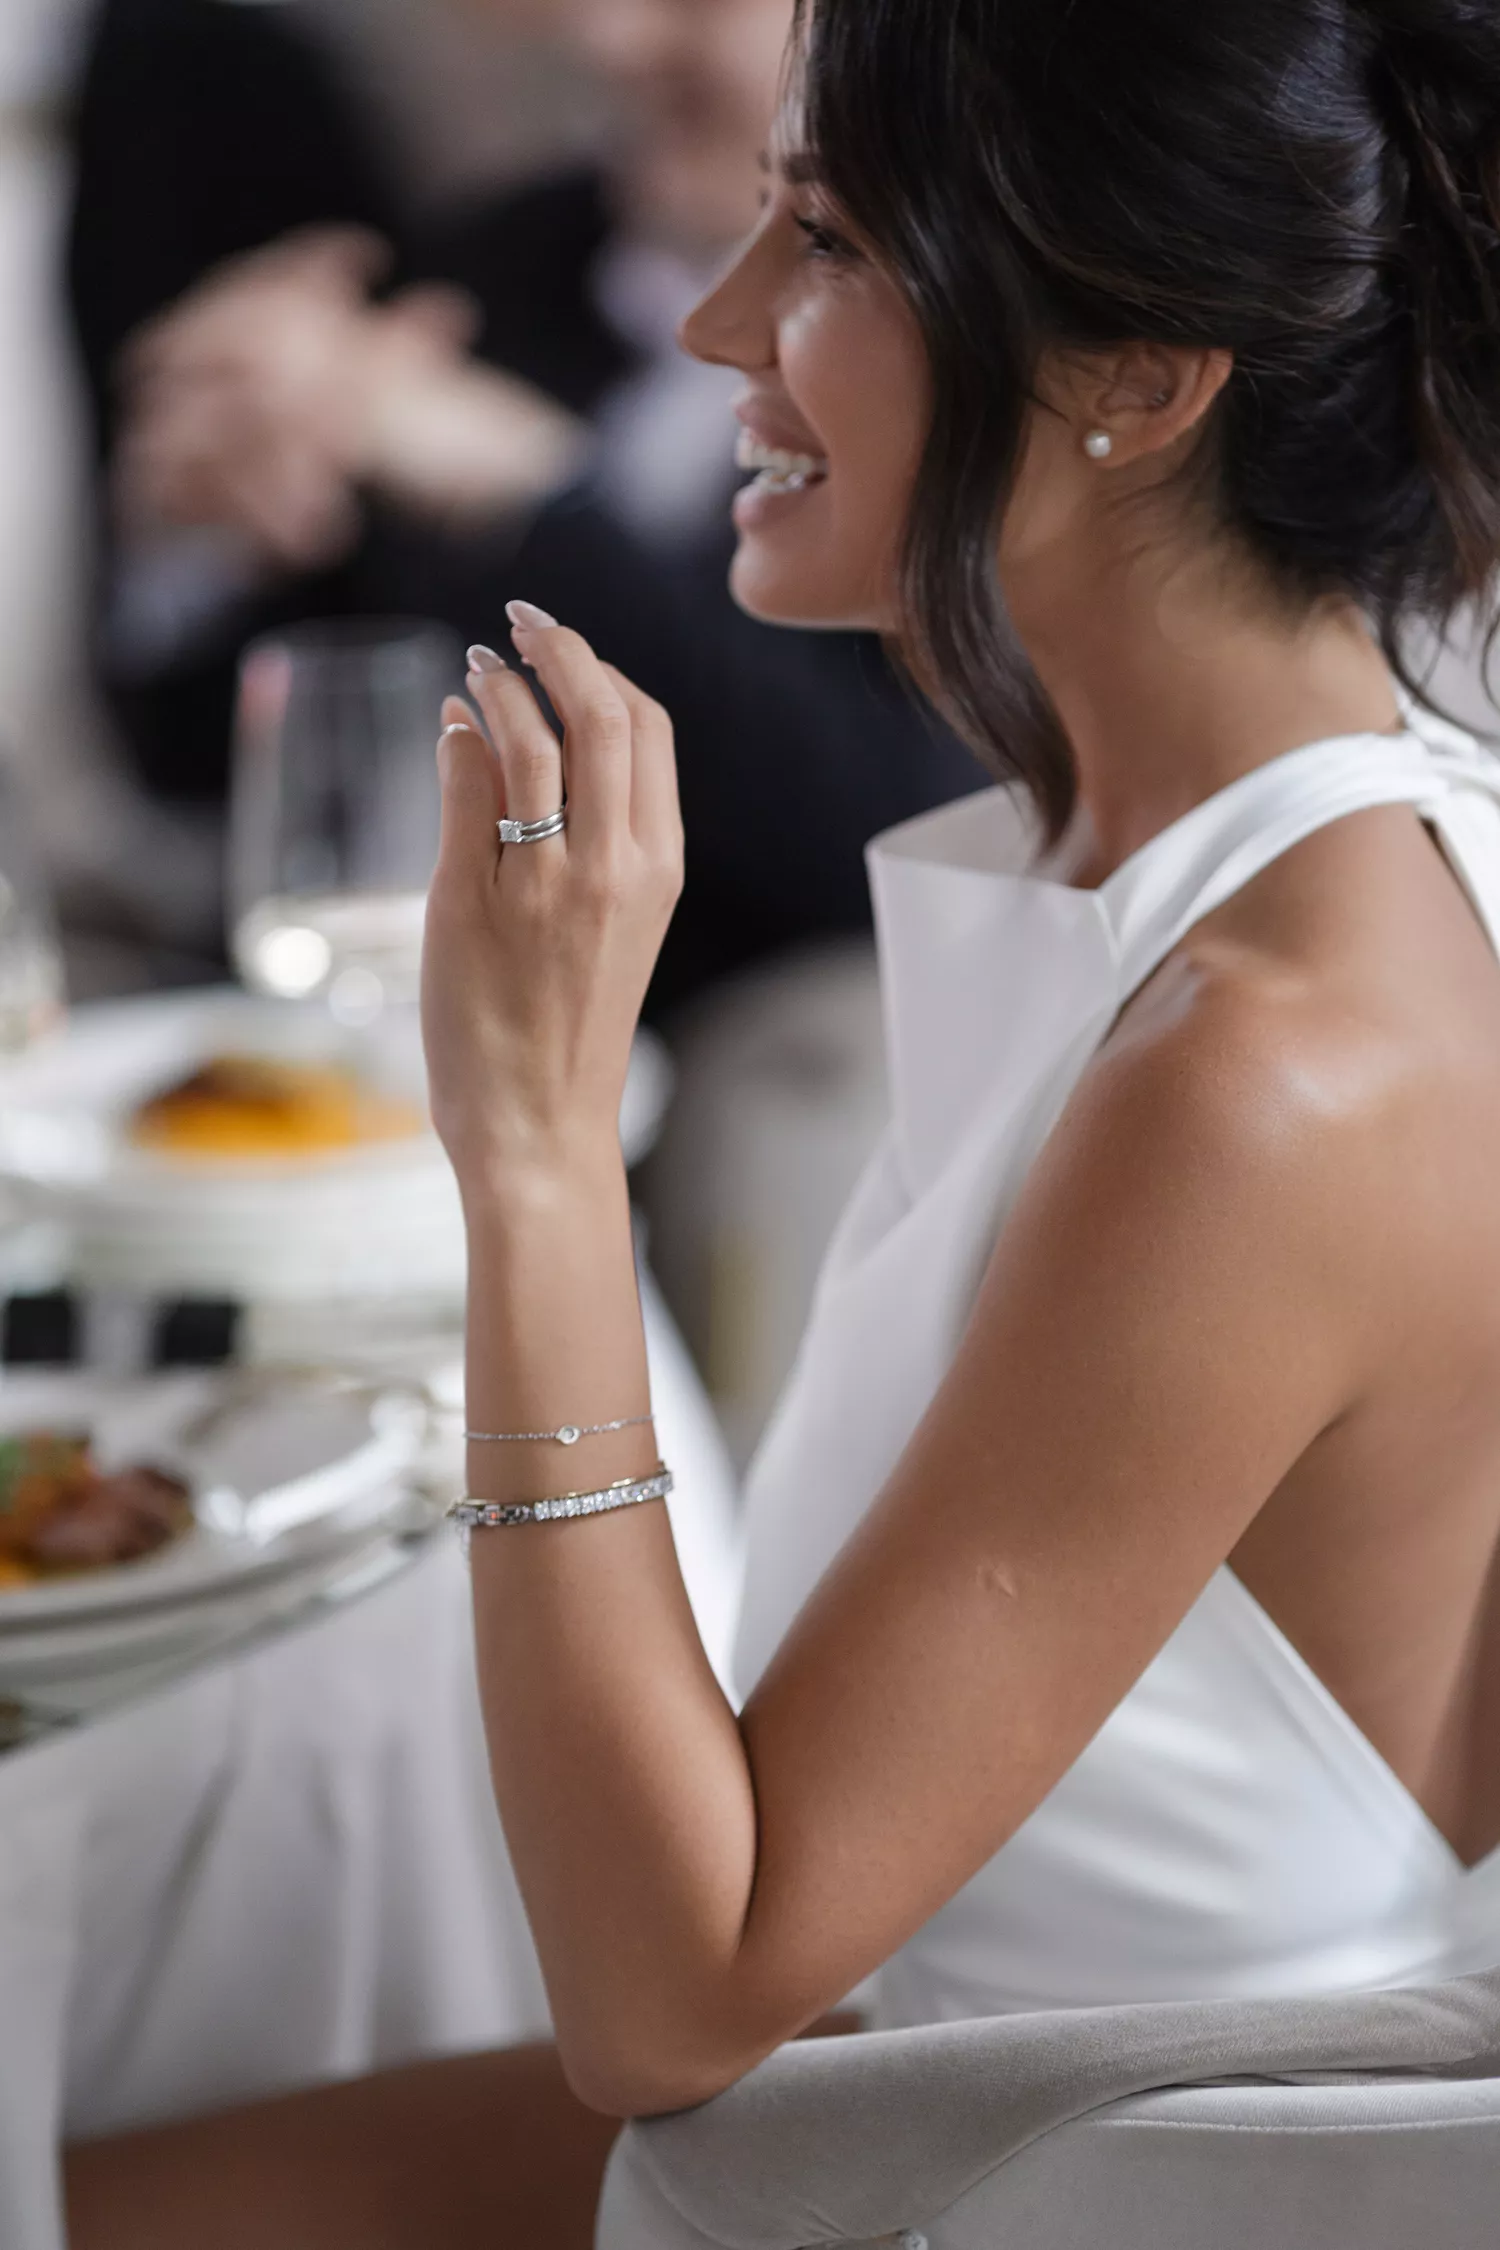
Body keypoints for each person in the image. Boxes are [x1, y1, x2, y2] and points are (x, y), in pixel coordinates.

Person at [65, 0, 1500, 2243]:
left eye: (821, 238)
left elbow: (666, 2009)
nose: (727, 318)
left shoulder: (1275, 1067)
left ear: (1138, 371)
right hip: (912, 2081)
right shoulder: (1169, 883)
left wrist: (534, 1151)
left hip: (1052, 2178)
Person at [68, 0, 983, 1012]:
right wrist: (201, 535)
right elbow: (205, 755)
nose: (609, 41)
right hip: (353, 1000)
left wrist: (530, 497)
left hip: (695, 1016)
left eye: (695, 5)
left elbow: (894, 812)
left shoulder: (966, 334)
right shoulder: (470, 270)